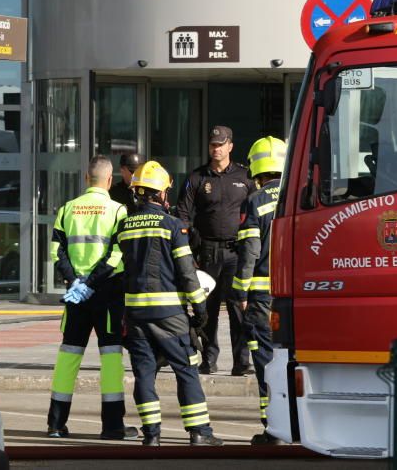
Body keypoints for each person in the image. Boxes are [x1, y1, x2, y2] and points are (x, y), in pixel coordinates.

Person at [111, 160, 224, 447]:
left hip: (135, 315)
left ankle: (151, 436)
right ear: (162, 193)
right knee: (186, 368)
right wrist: (199, 312)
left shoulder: (124, 227)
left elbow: (119, 270)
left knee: (144, 373)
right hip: (169, 315)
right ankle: (200, 433)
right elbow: (187, 273)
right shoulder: (172, 225)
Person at [46, 155, 139, 441]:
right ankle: (112, 427)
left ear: (87, 179)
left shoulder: (67, 209)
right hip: (107, 294)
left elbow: (55, 252)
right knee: (111, 359)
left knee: (68, 357)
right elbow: (118, 255)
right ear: (109, 181)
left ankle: (55, 424)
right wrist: (93, 281)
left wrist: (76, 281)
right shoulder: (118, 210)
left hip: (76, 295)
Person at [177, 125, 253, 375]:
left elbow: (256, 211)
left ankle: (241, 363)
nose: (216, 149)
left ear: (230, 146)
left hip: (236, 252)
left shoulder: (245, 176)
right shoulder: (198, 177)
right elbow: (183, 215)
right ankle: (208, 360)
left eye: (220, 144)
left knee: (237, 308)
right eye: (212, 145)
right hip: (207, 252)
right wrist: (188, 251)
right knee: (207, 309)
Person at [233, 136, 286, 445]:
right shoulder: (300, 195)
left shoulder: (255, 201)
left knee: (265, 361)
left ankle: (274, 428)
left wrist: (240, 292)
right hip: (295, 293)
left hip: (263, 296)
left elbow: (250, 251)